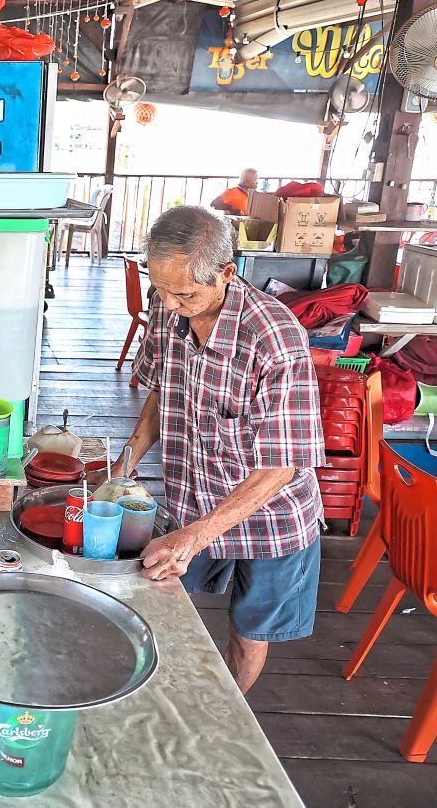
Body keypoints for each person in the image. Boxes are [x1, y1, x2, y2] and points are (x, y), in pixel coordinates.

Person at [122, 206, 325, 695]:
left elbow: (281, 466)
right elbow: (158, 389)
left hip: (272, 518)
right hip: (194, 499)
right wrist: (124, 463)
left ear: (227, 275)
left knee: (250, 633)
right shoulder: (168, 306)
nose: (169, 303)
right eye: (161, 288)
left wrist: (192, 539)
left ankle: (223, 717)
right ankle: (154, 703)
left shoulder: (273, 339)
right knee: (158, 605)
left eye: (185, 293)